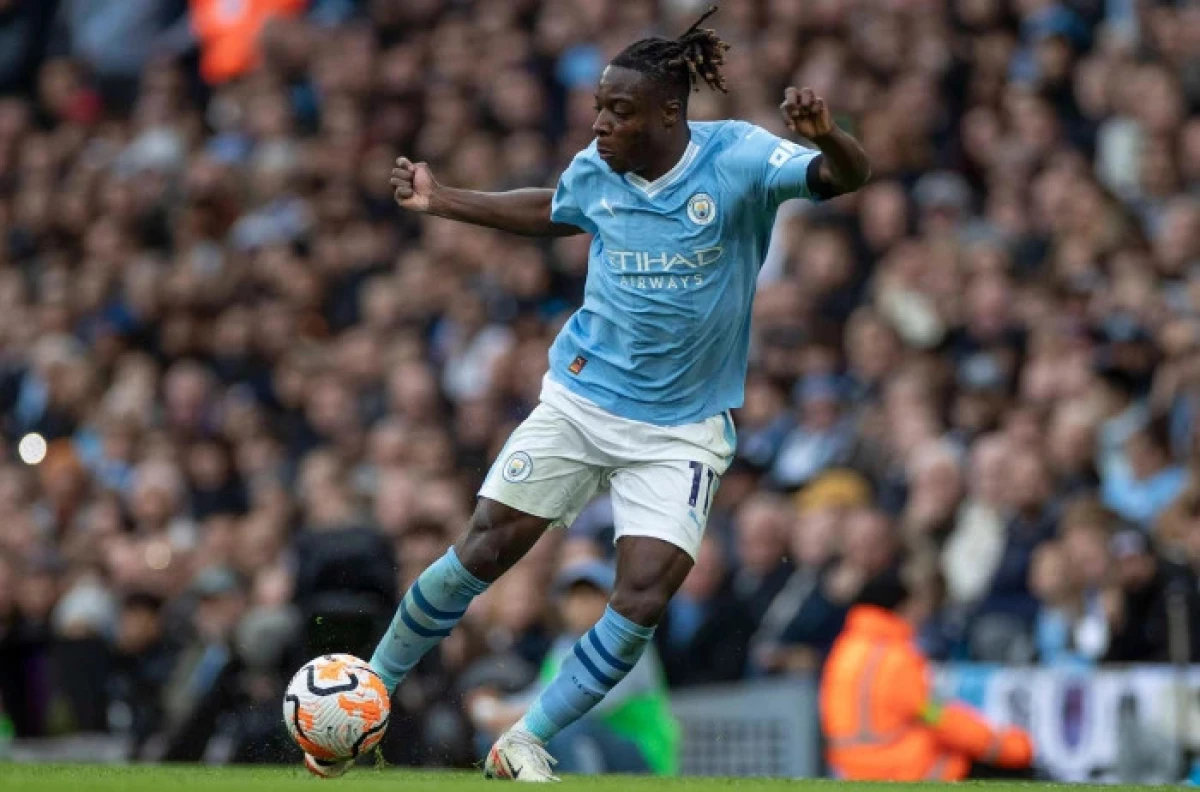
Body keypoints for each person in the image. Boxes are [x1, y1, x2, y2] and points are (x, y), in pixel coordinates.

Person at [304, 5, 871, 781]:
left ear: (669, 112)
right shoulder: (599, 169)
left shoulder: (739, 157)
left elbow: (844, 177)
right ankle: (369, 694)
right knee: (485, 547)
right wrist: (444, 198)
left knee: (642, 595)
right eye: (599, 106)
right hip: (581, 403)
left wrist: (826, 135)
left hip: (681, 428)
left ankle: (525, 738)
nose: (601, 123)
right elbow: (553, 208)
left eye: (619, 110)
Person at [821, 564, 1035, 780]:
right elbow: (936, 717)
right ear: (900, 608)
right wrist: (1008, 747)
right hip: (909, 771)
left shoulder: (844, 650)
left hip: (854, 771)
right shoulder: (895, 658)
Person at [466, 561, 677, 775]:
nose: (578, 606)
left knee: (568, 729)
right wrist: (496, 706)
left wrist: (509, 713)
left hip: (642, 753)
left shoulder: (631, 647)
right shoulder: (564, 646)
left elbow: (588, 703)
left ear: (610, 602)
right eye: (573, 598)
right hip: (590, 741)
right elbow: (542, 691)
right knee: (500, 737)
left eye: (588, 597)